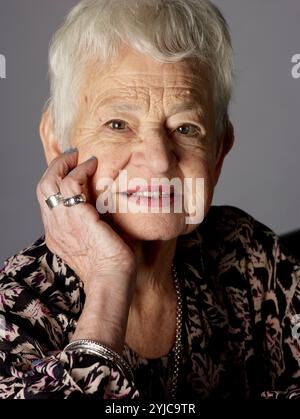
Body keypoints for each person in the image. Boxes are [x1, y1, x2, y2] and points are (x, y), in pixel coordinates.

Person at [0, 0, 299, 400]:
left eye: (186, 127)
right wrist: (108, 283)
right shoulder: (16, 310)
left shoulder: (247, 256)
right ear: (57, 142)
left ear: (219, 152)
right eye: (118, 124)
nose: (159, 160)